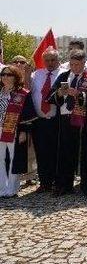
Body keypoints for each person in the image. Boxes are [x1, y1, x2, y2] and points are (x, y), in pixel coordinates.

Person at [47, 49, 87, 196]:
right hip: (65, 118)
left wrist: (80, 94)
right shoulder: (63, 76)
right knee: (65, 151)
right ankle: (64, 185)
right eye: (72, 64)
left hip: (84, 119)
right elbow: (50, 96)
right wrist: (59, 93)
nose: (75, 67)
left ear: (84, 63)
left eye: (78, 64)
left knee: (86, 152)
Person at [0, 65, 36, 197]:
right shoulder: (0, 92)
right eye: (3, 74)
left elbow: (28, 114)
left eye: (8, 74)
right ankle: (1, 188)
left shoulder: (22, 93)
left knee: (13, 159)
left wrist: (24, 131)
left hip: (14, 130)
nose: (5, 77)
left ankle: (12, 188)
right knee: (0, 159)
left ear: (15, 77)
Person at [30, 48, 61, 193]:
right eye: (47, 60)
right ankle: (44, 182)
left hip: (57, 120)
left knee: (57, 151)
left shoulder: (64, 74)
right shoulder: (36, 74)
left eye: (53, 60)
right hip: (39, 120)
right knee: (41, 152)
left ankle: (57, 181)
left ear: (58, 60)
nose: (50, 63)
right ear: (43, 61)